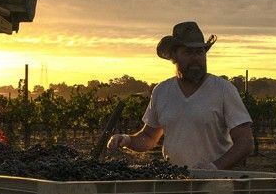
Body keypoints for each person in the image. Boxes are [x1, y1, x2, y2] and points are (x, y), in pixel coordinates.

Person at [107, 21, 253, 170]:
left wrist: (214, 168)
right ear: (173, 56)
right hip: (175, 181)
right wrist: (126, 140)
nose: (196, 58)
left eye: (200, 52)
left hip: (216, 185)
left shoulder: (223, 90)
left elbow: (245, 142)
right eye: (188, 52)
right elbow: (149, 137)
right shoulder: (162, 91)